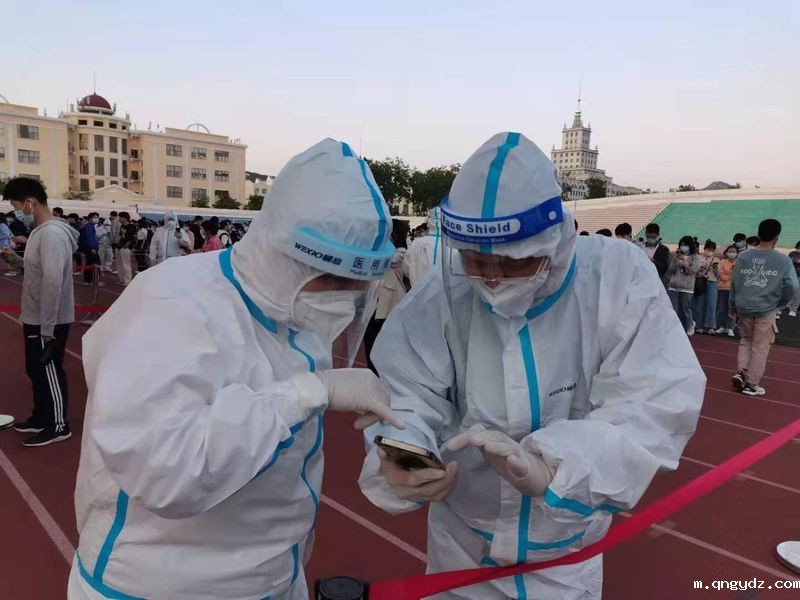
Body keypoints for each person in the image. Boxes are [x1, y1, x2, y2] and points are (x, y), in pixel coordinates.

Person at [358, 132, 704, 600]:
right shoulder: (446, 292)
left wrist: (556, 466)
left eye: (510, 262)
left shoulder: (615, 278)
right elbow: (409, 390)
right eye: (475, 259)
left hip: (566, 552)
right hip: (461, 546)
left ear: (552, 243)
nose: (490, 277)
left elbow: (654, 401)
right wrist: (405, 451)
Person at [67, 138, 404, 600]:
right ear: (279, 252)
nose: (341, 295)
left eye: (356, 282)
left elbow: (283, 451)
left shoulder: (299, 313)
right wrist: (306, 394)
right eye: (330, 276)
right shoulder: (172, 302)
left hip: (274, 577)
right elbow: (166, 472)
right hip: (155, 587)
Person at [4, 177, 77, 447]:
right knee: (35, 369)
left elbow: (52, 283)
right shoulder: (39, 232)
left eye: (17, 206)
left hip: (49, 319)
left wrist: (48, 328)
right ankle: (41, 416)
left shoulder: (52, 235)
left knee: (49, 370)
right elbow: (36, 272)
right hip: (36, 316)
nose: (17, 212)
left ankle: (58, 425)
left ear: (30, 203)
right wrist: (12, 258)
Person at [730, 219, 798, 396]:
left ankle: (741, 371)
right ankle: (751, 384)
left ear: (759, 234)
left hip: (744, 307)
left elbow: (734, 283)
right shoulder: (783, 260)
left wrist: (732, 306)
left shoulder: (743, 257)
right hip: (766, 308)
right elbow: (792, 285)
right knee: (760, 346)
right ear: (777, 237)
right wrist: (781, 303)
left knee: (746, 340)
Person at [364, 218, 409, 373]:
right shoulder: (385, 251)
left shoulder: (401, 253)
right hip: (377, 298)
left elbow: (387, 260)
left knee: (381, 337)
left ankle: (382, 371)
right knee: (371, 337)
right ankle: (374, 370)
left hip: (390, 300)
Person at [667, 236, 702, 335]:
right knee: (674, 308)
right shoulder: (677, 256)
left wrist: (684, 262)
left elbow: (693, 271)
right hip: (674, 285)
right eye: (681, 245)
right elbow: (671, 269)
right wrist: (676, 261)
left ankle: (690, 324)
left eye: (685, 245)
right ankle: (674, 327)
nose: (683, 247)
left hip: (687, 286)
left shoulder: (695, 257)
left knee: (686, 308)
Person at [405, 209, 441, 287]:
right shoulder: (453, 245)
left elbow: (406, 267)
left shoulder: (416, 243)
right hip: (446, 293)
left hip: (419, 291)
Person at [692, 240, 719, 334]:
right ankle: (698, 325)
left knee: (711, 304)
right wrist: (701, 267)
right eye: (708, 249)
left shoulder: (716, 259)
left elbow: (718, 275)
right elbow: (694, 271)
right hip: (701, 281)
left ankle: (710, 326)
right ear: (704, 249)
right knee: (699, 304)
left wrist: (715, 269)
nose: (710, 251)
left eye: (712, 250)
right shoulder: (698, 258)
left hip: (712, 282)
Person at [714, 245, 738, 336]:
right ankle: (723, 326)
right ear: (726, 253)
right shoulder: (722, 262)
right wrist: (732, 273)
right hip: (722, 288)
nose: (732, 253)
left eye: (734, 252)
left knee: (731, 309)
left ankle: (730, 327)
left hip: (733, 289)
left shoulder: (739, 263)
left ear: (737, 253)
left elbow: (738, 276)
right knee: (722, 308)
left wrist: (727, 275)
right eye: (730, 251)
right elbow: (721, 276)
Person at [115, 211, 137, 286]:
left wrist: (126, 246)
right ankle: (121, 279)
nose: (119, 219)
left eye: (121, 217)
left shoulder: (131, 226)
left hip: (125, 248)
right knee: (119, 264)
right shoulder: (122, 226)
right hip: (119, 246)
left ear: (125, 218)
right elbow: (121, 236)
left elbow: (131, 238)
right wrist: (118, 246)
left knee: (126, 264)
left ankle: (128, 281)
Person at [78, 212, 100, 285]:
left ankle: (88, 280)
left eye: (97, 217)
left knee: (89, 264)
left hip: (90, 248)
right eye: (95, 217)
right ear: (90, 218)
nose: (96, 219)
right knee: (94, 264)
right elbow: (89, 238)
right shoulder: (88, 227)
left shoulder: (92, 226)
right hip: (90, 249)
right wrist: (92, 248)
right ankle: (93, 280)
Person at [787, 241, 800, 317]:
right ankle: (788, 306)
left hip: (799, 276)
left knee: (797, 293)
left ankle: (794, 309)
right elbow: (792, 260)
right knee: (790, 291)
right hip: (792, 275)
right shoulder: (792, 253)